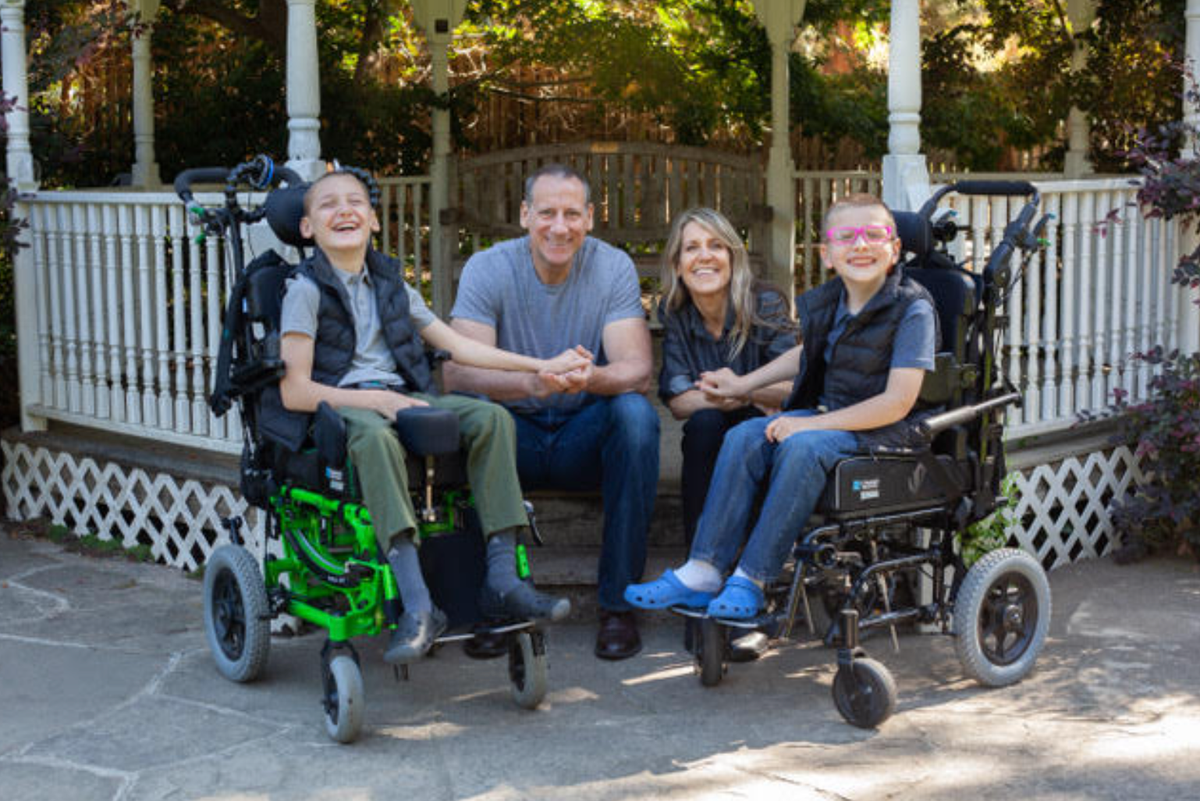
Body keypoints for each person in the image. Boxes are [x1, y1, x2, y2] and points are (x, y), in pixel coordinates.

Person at [277, 169, 589, 665]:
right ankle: (418, 603)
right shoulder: (304, 290)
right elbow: (294, 390)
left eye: (355, 202)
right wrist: (374, 402)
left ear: (374, 220)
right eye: (328, 205)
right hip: (341, 408)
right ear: (308, 228)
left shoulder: (392, 284)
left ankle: (503, 578)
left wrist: (543, 366)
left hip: (405, 397)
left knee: (490, 419)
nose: (345, 211)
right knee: (376, 438)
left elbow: (460, 346)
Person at [623, 193, 937, 623]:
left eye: (874, 235)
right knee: (743, 435)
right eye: (846, 237)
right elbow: (804, 357)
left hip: (888, 430)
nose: (860, 245)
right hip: (840, 418)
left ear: (895, 249)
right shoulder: (835, 300)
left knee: (801, 446)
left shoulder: (912, 308)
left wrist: (809, 424)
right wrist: (744, 383)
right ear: (827, 254)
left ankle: (752, 577)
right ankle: (704, 568)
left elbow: (897, 403)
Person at [444, 163, 658, 660]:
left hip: (582, 434)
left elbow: (637, 369)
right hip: (510, 434)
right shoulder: (489, 267)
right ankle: (495, 602)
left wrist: (592, 378)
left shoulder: (613, 267)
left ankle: (618, 605)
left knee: (636, 416)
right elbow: (456, 374)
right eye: (546, 213)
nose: (558, 227)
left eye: (570, 214)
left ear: (589, 218)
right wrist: (531, 382)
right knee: (473, 411)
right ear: (525, 215)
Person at [657, 207, 798, 661]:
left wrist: (738, 389)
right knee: (704, 427)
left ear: (733, 257)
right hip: (718, 428)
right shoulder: (675, 311)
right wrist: (741, 395)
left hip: (772, 432)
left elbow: (795, 387)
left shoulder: (767, 302)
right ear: (677, 262)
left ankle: (755, 586)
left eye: (715, 245)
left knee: (746, 433)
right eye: (692, 247)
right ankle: (702, 574)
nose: (705, 256)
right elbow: (678, 399)